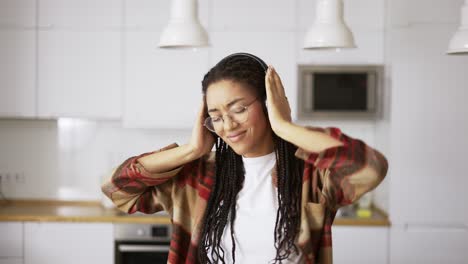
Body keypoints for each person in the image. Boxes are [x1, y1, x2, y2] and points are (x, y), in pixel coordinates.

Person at [101, 53, 388, 264]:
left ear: (267, 104)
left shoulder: (309, 175)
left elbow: (369, 167)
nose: (228, 125)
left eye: (238, 109)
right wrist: (190, 150)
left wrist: (286, 127)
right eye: (216, 117)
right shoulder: (199, 176)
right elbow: (118, 189)